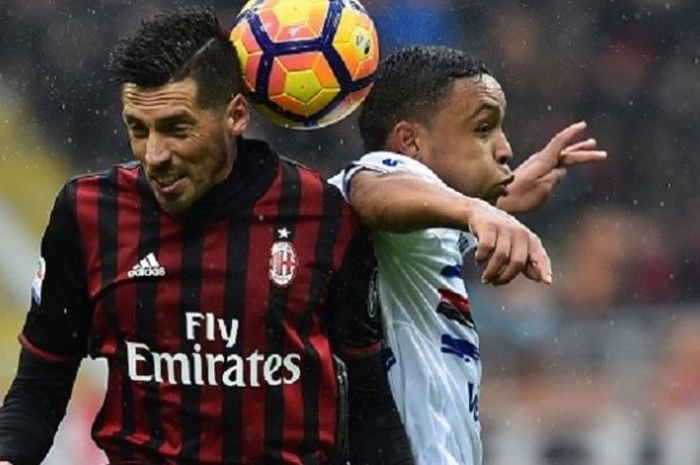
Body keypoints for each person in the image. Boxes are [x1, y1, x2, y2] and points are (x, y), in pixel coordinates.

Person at [0, 9, 555, 465]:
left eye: (177, 128)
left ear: (236, 114)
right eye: (137, 129)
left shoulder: (320, 216)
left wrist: (485, 205)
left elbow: (367, 401)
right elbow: (41, 383)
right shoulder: (89, 212)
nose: (154, 154)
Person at [330, 45, 607, 465]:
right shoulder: (385, 175)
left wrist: (498, 201)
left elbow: (428, 210)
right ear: (410, 142)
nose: (505, 149)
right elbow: (370, 188)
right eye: (483, 129)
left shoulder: (423, 233)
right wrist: (477, 210)